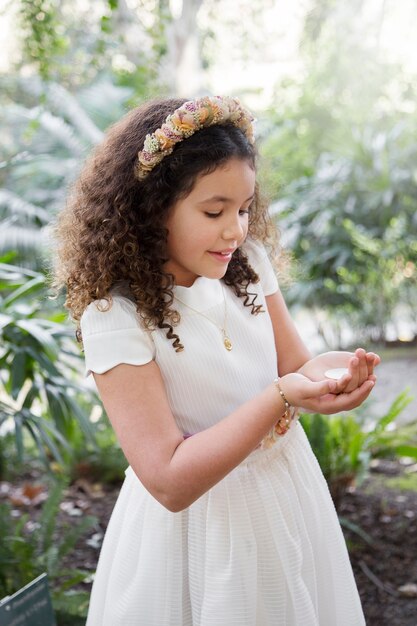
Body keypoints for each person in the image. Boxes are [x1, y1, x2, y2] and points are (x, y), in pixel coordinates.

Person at [53, 96, 380, 626]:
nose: (236, 230)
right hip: (197, 535)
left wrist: (332, 378)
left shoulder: (245, 265)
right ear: (153, 208)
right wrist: (280, 396)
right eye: (214, 211)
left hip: (286, 495)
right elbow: (168, 480)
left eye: (245, 208)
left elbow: (294, 364)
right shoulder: (116, 316)